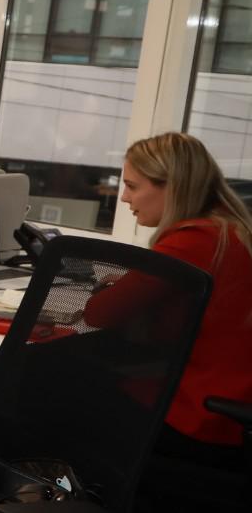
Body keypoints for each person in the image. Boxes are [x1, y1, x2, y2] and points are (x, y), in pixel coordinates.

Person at [84, 132, 252, 468]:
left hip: (204, 416)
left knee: (67, 390)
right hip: (235, 399)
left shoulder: (192, 241)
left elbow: (99, 314)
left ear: (171, 187)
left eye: (132, 186)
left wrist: (117, 290)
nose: (124, 198)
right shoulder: (230, 230)